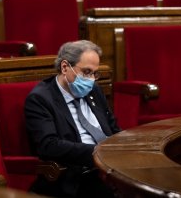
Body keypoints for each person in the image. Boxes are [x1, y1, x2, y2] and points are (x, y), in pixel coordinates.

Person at [25, 40, 120, 197]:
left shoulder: (94, 90)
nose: (91, 79)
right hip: (76, 177)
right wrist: (98, 153)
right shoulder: (41, 99)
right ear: (65, 67)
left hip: (109, 169)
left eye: (95, 73)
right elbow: (49, 145)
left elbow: (113, 129)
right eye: (86, 72)